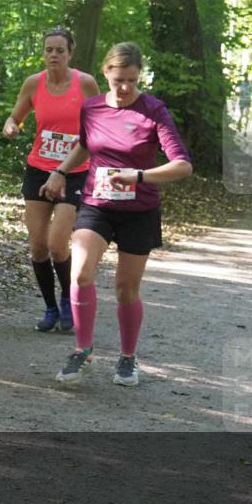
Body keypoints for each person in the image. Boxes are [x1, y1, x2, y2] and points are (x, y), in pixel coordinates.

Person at [40, 42, 192, 387]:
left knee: (126, 289)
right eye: (118, 79)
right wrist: (60, 171)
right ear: (106, 73)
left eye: (132, 81)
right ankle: (83, 350)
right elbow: (84, 144)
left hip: (140, 210)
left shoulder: (153, 110)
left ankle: (127, 358)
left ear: (140, 78)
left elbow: (182, 165)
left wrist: (140, 176)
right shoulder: (92, 108)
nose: (124, 88)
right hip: (97, 204)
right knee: (80, 273)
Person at [3, 28, 100, 332]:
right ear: (43, 53)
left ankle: (69, 299)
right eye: (49, 50)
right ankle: (50, 307)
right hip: (38, 169)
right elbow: (15, 116)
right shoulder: (34, 84)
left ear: (70, 54)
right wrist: (11, 126)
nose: (54, 55)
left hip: (75, 171)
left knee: (59, 244)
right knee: (37, 246)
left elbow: (100, 123)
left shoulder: (84, 83)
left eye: (60, 50)